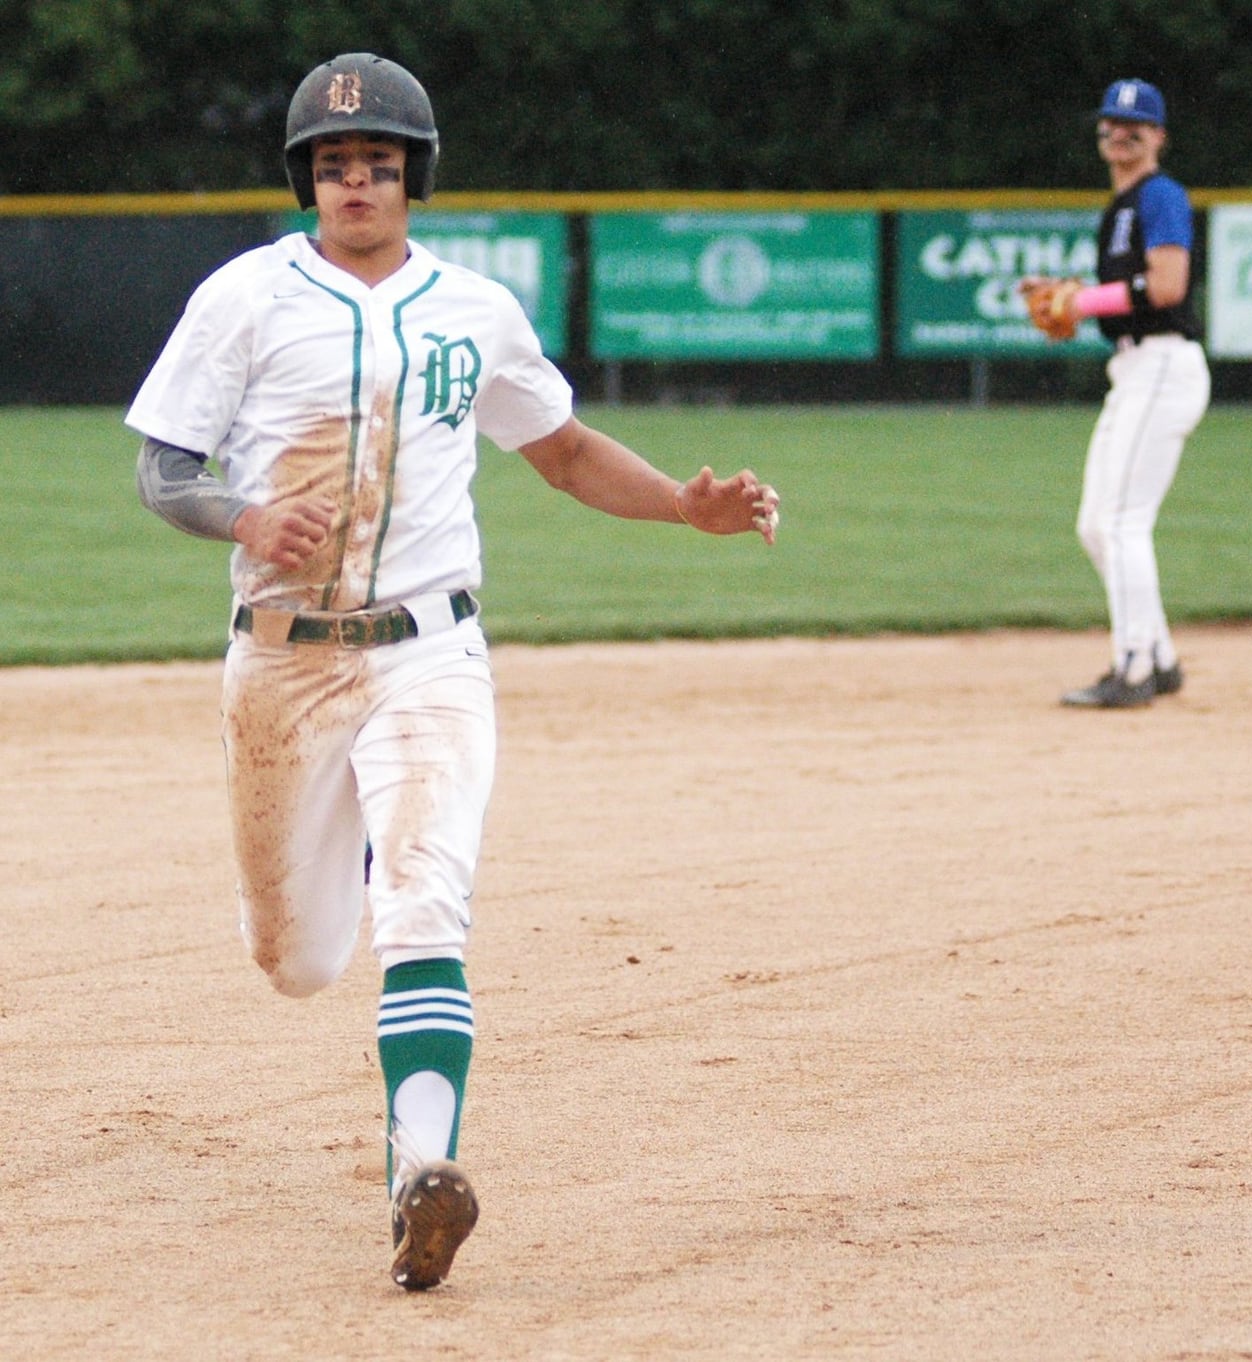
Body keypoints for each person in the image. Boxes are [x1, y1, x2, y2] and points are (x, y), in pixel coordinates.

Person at [126, 52, 779, 1291]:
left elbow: (567, 449)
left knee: (425, 905)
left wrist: (680, 510)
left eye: (375, 161)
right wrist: (244, 520)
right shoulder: (245, 297)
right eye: (331, 163)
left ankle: (420, 1175)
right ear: (307, 181)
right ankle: (353, 857)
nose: (353, 178)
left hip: (432, 653)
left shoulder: (474, 310)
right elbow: (164, 470)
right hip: (281, 669)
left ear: (412, 176)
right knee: (300, 958)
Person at [1021, 77, 1210, 708]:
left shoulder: (1161, 196)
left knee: (1124, 522)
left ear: (1158, 136)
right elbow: (1129, 294)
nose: (1120, 134)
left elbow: (1167, 287)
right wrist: (1077, 301)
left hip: (1163, 366)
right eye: (1110, 124)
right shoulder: (1122, 206)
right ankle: (1157, 656)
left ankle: (1131, 670)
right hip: (1135, 372)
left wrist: (1084, 300)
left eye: (1135, 126)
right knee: (1095, 526)